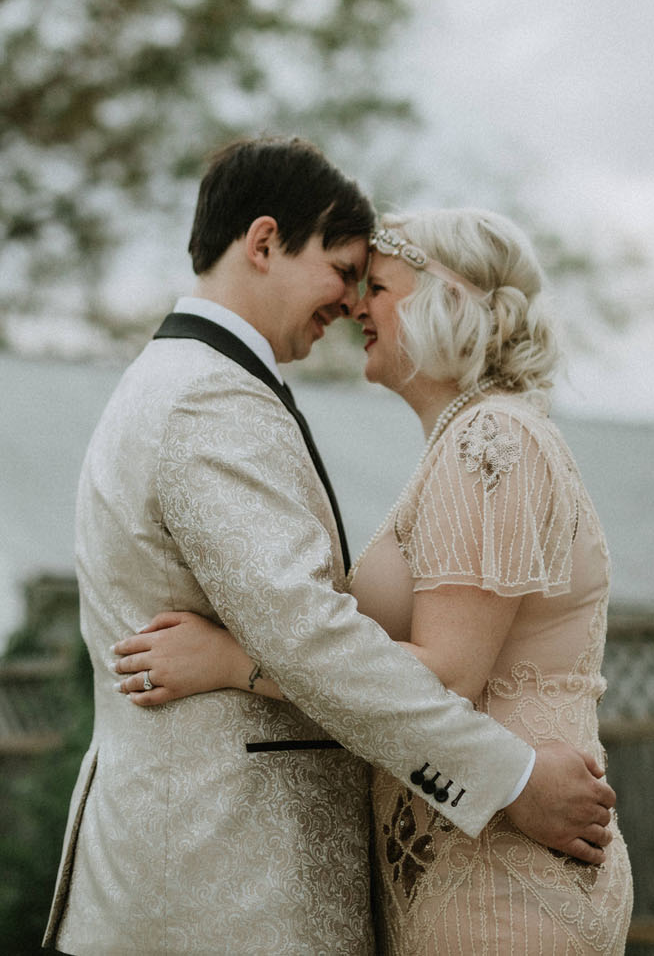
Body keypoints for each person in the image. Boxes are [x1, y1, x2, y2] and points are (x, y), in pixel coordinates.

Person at [44, 142, 616, 955]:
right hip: (217, 879)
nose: (351, 302)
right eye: (345, 270)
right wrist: (508, 777)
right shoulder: (209, 397)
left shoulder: (198, 384)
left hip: (256, 875)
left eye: (369, 282)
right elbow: (309, 630)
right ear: (266, 242)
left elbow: (321, 633)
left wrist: (230, 658)